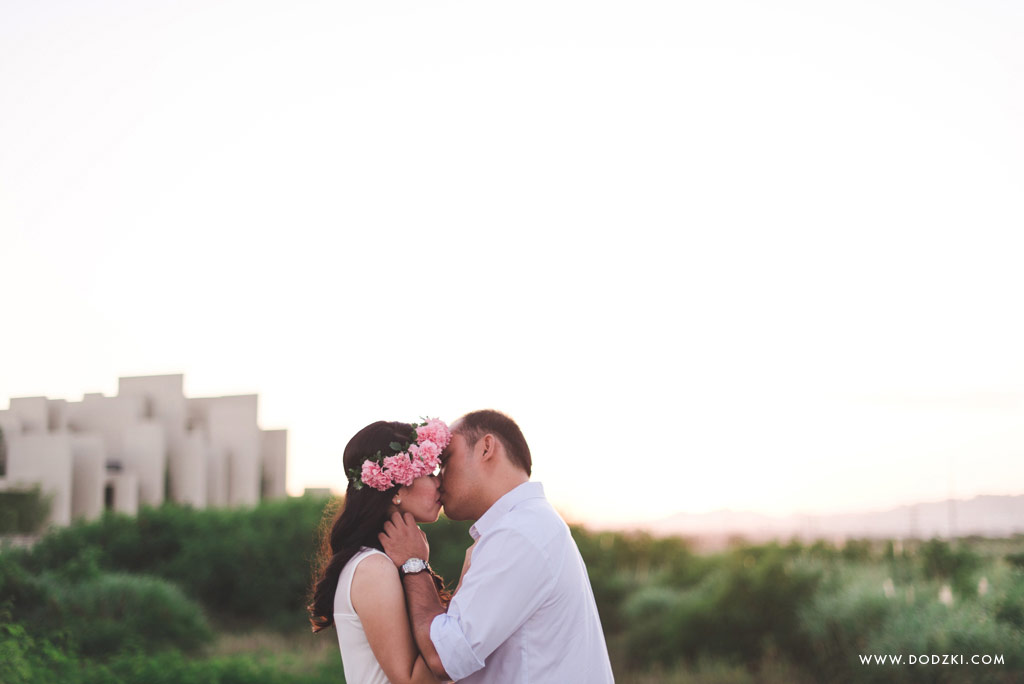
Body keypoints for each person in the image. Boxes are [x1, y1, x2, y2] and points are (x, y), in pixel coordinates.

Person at [379, 409, 616, 683]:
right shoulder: (531, 524)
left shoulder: (520, 532)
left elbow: (443, 657)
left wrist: (414, 564)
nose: (439, 477)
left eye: (446, 460)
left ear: (486, 448)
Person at [307, 419, 456, 684]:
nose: (439, 483)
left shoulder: (383, 562)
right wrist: (466, 587)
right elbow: (409, 680)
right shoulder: (373, 568)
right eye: (430, 473)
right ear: (397, 487)